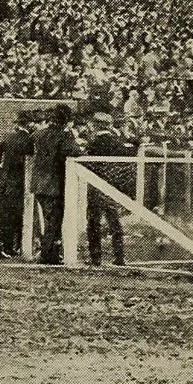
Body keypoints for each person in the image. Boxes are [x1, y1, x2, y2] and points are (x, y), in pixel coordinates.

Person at [0, 108, 36, 257]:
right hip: (18, 182)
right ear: (30, 124)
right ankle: (7, 247)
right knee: (13, 216)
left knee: (1, 214)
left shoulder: (7, 137)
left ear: (18, 124)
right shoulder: (30, 141)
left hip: (3, 180)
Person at [32, 104, 79, 265]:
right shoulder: (64, 136)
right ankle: (47, 253)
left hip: (38, 183)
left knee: (49, 220)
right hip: (54, 185)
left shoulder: (38, 134)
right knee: (54, 221)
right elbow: (74, 151)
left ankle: (50, 252)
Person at [85, 111, 130, 267]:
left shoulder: (92, 143)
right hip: (112, 185)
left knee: (94, 222)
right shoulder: (117, 142)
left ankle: (96, 257)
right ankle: (119, 256)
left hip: (95, 185)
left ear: (96, 125)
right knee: (114, 221)